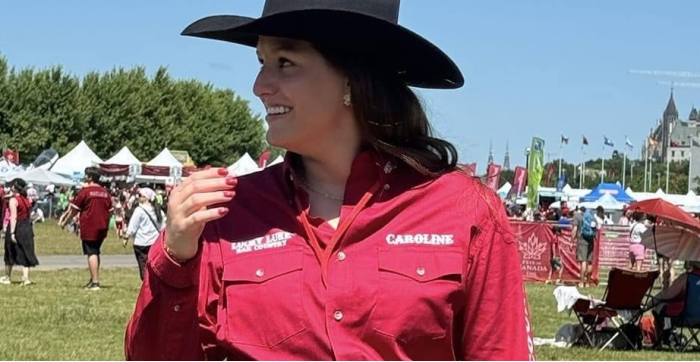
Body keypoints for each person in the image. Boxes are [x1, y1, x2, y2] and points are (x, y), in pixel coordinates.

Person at [125, 1, 534, 360]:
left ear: (352, 80)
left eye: (285, 62)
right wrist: (176, 259)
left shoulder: (464, 212)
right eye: (261, 63)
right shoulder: (227, 212)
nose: (259, 86)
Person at [60, 167, 113, 291]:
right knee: (96, 251)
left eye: (86, 175)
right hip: (102, 226)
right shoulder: (105, 192)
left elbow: (74, 209)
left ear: (90, 177)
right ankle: (93, 277)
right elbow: (110, 211)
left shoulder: (85, 191)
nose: (84, 177)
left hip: (89, 226)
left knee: (91, 252)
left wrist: (65, 221)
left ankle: (95, 282)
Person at [649, 261, 700, 347]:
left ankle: (661, 340)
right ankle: (667, 337)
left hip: (687, 318)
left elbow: (666, 295)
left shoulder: (686, 278)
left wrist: (665, 280)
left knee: (659, 307)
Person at [0, 179, 39, 286]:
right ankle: (25, 278)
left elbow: (14, 217)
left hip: (17, 226)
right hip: (27, 227)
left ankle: (7, 276)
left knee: (10, 250)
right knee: (26, 251)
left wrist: (12, 232)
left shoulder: (14, 200)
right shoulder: (26, 199)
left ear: (15, 187)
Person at [121, 188, 163, 281]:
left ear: (147, 198)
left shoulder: (139, 210)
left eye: (140, 196)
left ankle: (146, 284)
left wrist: (126, 237)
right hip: (155, 243)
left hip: (141, 243)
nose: (138, 197)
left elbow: (133, 225)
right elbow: (163, 226)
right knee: (154, 265)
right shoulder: (158, 211)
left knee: (143, 265)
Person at [572, 206, 596, 287]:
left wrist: (572, 240)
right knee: (589, 262)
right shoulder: (592, 217)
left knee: (583, 261)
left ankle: (581, 282)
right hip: (590, 240)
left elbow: (575, 229)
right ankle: (588, 283)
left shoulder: (577, 217)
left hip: (582, 240)